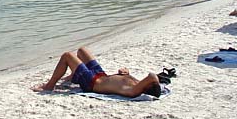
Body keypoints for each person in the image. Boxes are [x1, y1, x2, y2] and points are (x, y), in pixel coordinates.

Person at [31, 46, 161, 98]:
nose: (147, 79)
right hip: (100, 75)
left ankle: (49, 86)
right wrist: (126, 73)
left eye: (150, 82)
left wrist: (155, 82)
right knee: (82, 50)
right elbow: (122, 82)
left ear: (147, 86)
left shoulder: (134, 91)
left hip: (92, 82)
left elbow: (152, 76)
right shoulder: (137, 84)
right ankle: (73, 75)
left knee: (67, 55)